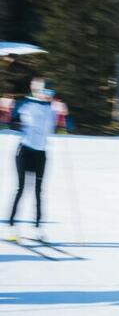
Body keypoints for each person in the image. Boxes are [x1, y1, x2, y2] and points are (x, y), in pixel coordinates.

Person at [7, 77, 56, 241]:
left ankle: (38, 229)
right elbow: (12, 121)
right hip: (25, 151)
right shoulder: (25, 104)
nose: (48, 95)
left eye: (50, 92)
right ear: (36, 90)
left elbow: (54, 128)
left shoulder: (50, 109)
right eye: (45, 91)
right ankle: (12, 226)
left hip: (40, 154)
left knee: (38, 191)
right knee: (21, 188)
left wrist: (65, 117)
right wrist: (16, 120)